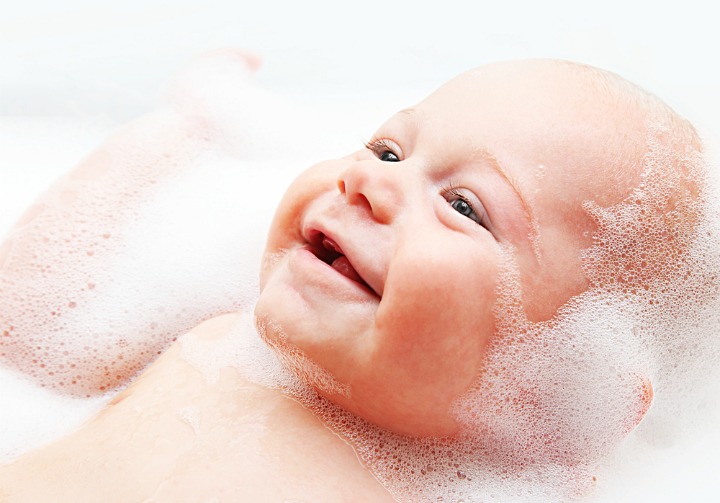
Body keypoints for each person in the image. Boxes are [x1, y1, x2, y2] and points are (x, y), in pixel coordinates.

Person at [0, 57, 716, 502]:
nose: (369, 181)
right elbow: (33, 325)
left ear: (562, 394)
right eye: (388, 147)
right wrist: (163, 137)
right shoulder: (221, 329)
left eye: (463, 205)